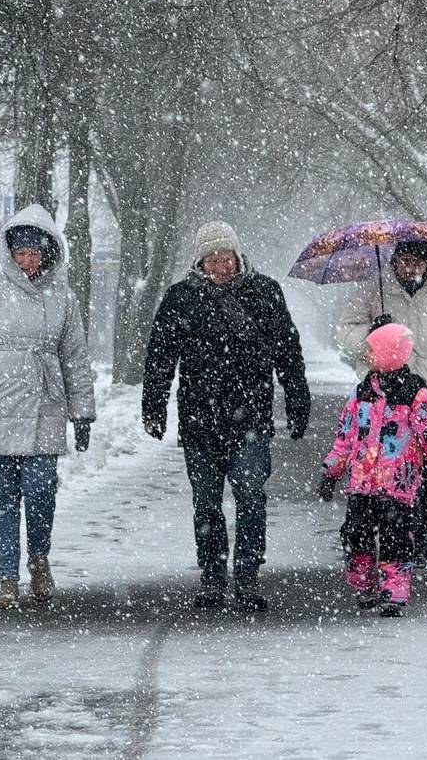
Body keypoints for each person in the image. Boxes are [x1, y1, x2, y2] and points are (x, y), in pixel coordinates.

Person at [142, 220, 311, 611]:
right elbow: (160, 358)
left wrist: (297, 398)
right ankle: (213, 576)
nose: (221, 265)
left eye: (227, 257)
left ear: (238, 256)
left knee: (251, 497)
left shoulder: (264, 293)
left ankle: (248, 574)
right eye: (213, 258)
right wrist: (153, 406)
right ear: (200, 262)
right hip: (200, 421)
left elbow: (288, 351)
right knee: (206, 503)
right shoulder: (180, 299)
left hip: (249, 417)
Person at [0, 204, 95, 607]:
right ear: (9, 253)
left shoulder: (64, 297)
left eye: (33, 253)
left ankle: (39, 558)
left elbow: (75, 356)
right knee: (3, 499)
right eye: (19, 253)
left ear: (48, 253)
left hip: (45, 405)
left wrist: (82, 411)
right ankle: (7, 576)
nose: (26, 261)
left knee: (42, 490)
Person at [334, 239, 427, 566]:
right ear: (395, 261)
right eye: (406, 261)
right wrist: (373, 335)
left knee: (425, 469)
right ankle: (386, 532)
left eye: (419, 262)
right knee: (386, 469)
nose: (412, 268)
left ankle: (417, 531)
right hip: (382, 397)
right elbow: (345, 331)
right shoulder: (375, 291)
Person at [317, 322, 427, 617]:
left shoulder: (415, 394)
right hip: (362, 484)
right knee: (357, 537)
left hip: (399, 486)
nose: (365, 354)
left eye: (370, 349)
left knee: (397, 539)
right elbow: (346, 437)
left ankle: (394, 594)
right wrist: (332, 470)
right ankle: (363, 585)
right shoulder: (362, 393)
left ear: (388, 353)